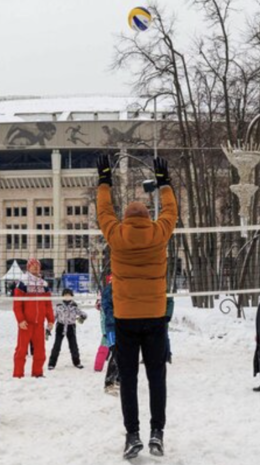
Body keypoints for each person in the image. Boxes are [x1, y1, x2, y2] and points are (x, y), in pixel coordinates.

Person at [96, 155, 177, 459]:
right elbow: (171, 210)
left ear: (127, 219)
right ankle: (157, 433)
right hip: (155, 316)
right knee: (157, 377)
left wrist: (104, 180)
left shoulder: (116, 234)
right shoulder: (159, 233)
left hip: (126, 318)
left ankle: (132, 435)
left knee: (128, 379)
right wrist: (164, 183)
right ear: (146, 217)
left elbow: (103, 211)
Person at [12, 258, 55, 378]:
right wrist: (20, 320)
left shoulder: (44, 284)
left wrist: (50, 320)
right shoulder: (22, 283)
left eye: (37, 265)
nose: (35, 267)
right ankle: (18, 374)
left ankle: (37, 373)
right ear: (28, 268)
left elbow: (48, 304)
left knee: (40, 350)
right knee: (21, 350)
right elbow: (17, 304)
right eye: (32, 265)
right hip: (26, 323)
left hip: (39, 324)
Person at [48, 288, 88, 370]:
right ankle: (51, 363)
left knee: (73, 346)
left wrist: (83, 317)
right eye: (65, 295)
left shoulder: (74, 306)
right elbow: (52, 318)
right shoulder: (58, 306)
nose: (67, 297)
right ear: (62, 296)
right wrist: (48, 329)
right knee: (57, 345)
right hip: (60, 327)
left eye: (69, 295)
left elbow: (82, 313)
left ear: (72, 296)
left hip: (71, 327)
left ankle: (77, 362)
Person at [101, 275, 120, 395]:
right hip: (112, 326)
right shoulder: (109, 289)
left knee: (123, 353)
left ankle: (118, 379)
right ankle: (108, 383)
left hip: (123, 325)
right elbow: (106, 308)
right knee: (116, 352)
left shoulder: (125, 286)